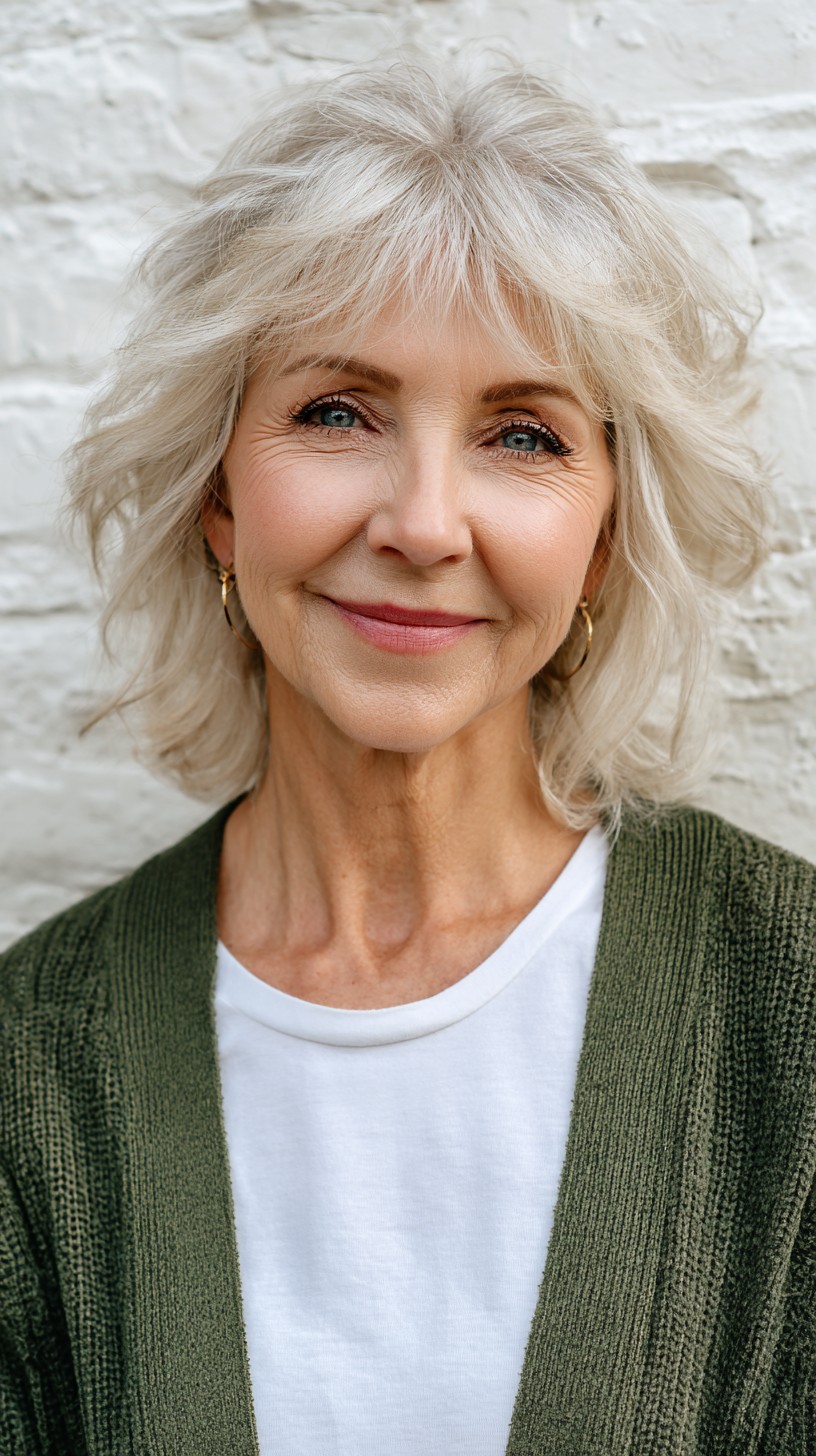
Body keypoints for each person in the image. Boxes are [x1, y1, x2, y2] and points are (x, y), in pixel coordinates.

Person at [1, 51, 814, 1456]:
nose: (426, 524)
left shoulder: (790, 1010)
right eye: (337, 412)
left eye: (521, 433)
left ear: (604, 536)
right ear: (217, 496)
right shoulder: (31, 1073)